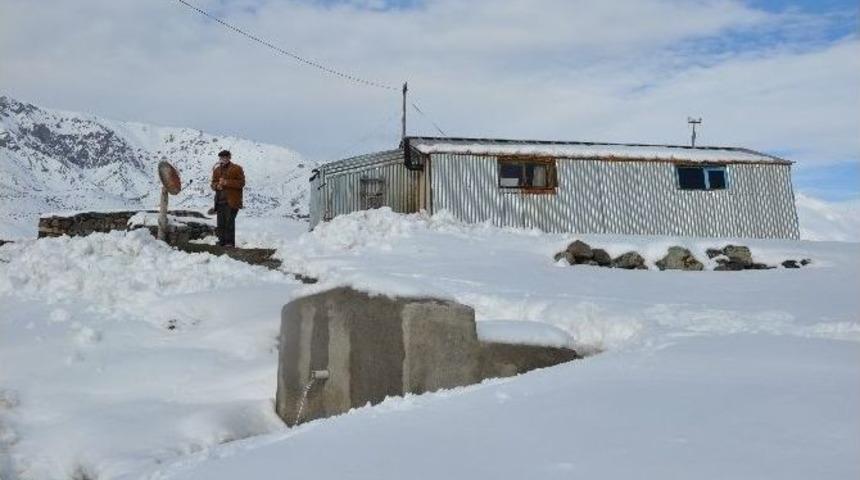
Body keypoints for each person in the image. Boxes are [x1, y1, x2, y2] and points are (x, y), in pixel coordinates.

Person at [210, 150, 245, 247]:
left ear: (229, 157)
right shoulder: (216, 170)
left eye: (225, 157)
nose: (223, 159)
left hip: (232, 201)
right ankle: (221, 243)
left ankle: (229, 244)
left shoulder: (237, 168)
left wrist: (226, 182)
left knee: (229, 223)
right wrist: (217, 186)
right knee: (220, 224)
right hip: (220, 201)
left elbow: (241, 183)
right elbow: (212, 184)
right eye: (221, 158)